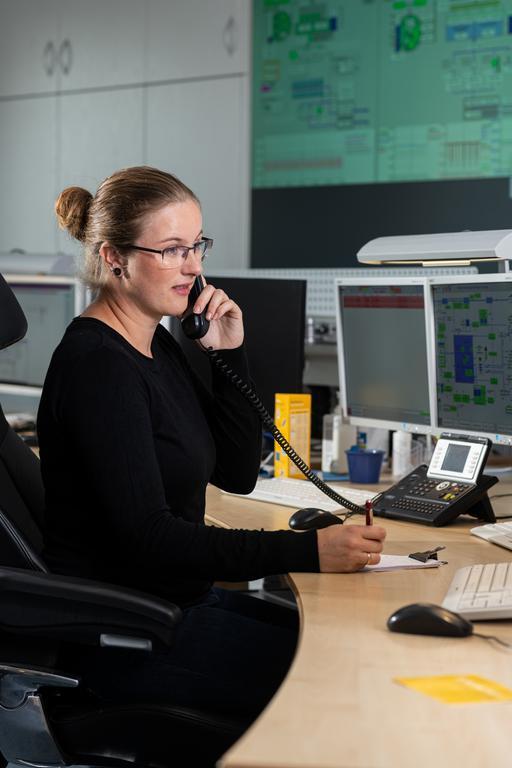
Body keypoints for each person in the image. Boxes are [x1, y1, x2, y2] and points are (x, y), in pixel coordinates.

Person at [38, 166, 386, 738]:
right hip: (129, 637)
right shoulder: (98, 367)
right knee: (349, 681)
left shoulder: (155, 342)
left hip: (180, 608)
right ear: (114, 257)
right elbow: (151, 538)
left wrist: (229, 356)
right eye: (173, 250)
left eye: (197, 245)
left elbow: (236, 473)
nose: (196, 266)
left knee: (353, 646)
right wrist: (309, 550)